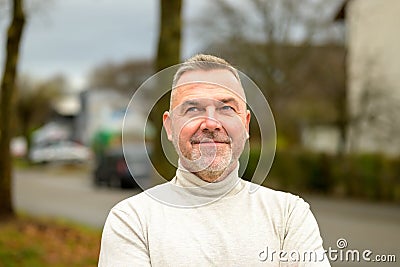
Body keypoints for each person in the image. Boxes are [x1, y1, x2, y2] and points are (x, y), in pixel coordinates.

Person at [98, 54, 330, 266]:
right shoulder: (133, 221)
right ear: (169, 127)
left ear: (246, 124)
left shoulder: (288, 215)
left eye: (226, 108)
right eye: (193, 109)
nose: (211, 123)